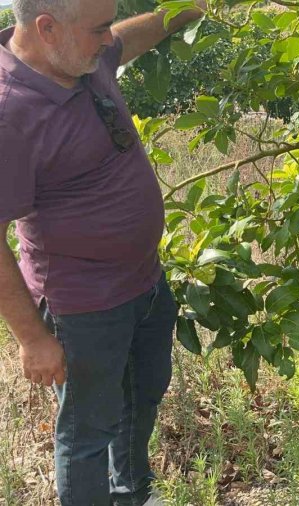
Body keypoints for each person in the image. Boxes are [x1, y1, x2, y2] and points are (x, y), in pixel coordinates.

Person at [0, 1, 204, 504]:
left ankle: (132, 491)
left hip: (144, 283)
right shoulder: (10, 114)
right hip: (84, 307)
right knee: (86, 436)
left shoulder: (81, 56)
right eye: (97, 29)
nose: (107, 37)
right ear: (46, 29)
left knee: (141, 397)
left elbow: (130, 39)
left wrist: (187, 9)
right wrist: (32, 338)